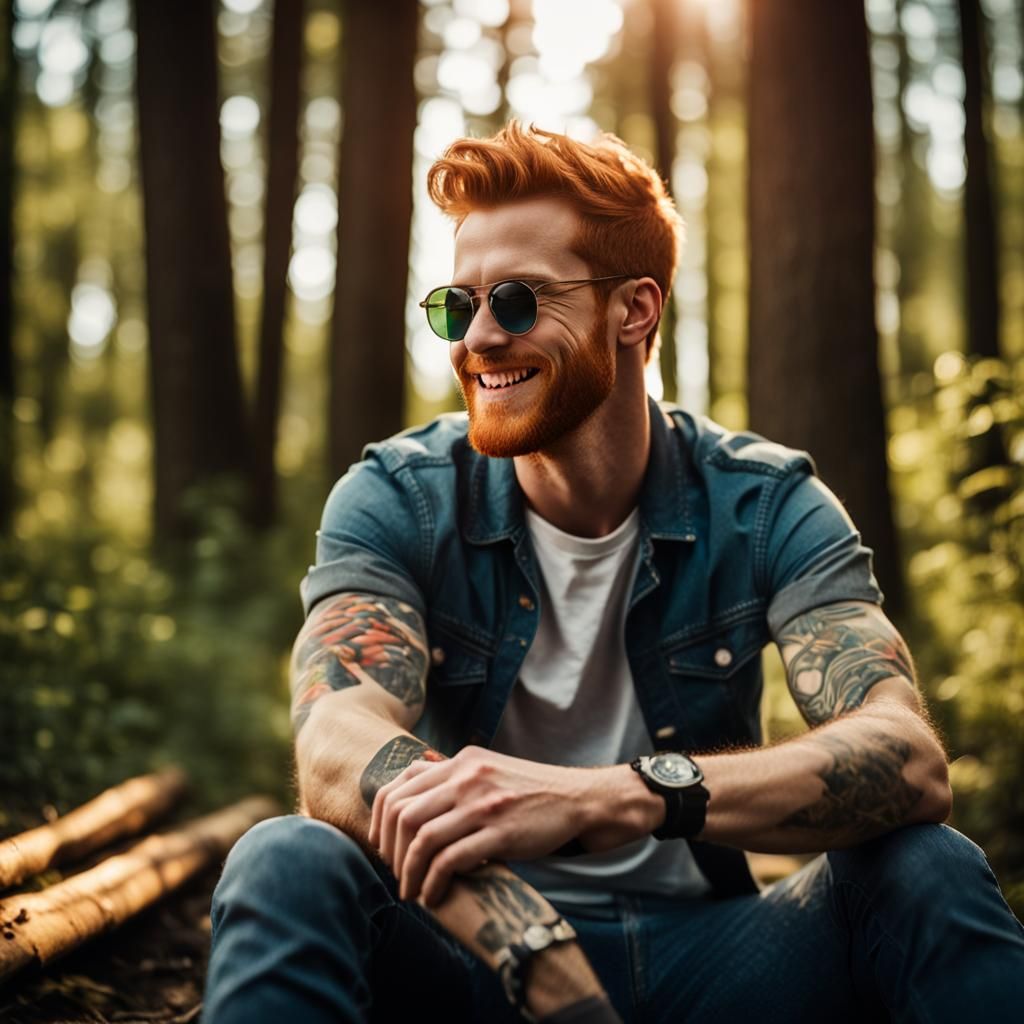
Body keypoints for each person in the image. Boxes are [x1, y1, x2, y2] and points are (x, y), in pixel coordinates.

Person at [203, 123, 1024, 1024]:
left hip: (721, 958)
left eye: (517, 301)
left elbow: (907, 759)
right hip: (475, 958)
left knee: (927, 865)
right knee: (284, 857)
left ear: (634, 311)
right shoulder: (399, 496)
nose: (478, 338)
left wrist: (614, 798)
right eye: (457, 306)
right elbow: (335, 746)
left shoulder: (764, 504)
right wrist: (533, 946)